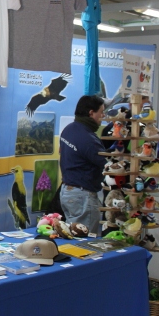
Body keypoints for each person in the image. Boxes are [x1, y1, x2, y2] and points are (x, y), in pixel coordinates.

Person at [58, 95, 108, 234]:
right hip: (82, 196)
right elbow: (107, 166)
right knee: (84, 241)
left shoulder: (68, 130)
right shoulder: (89, 139)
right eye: (101, 112)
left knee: (72, 235)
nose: (103, 116)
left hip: (67, 192)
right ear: (91, 113)